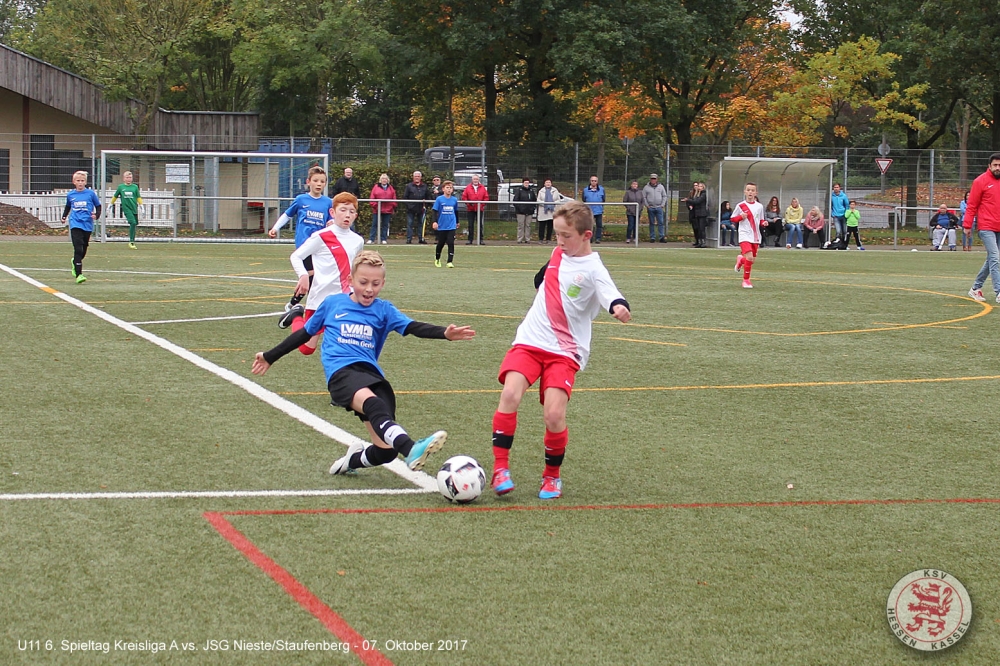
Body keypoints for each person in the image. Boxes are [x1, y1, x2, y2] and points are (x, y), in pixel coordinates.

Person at [252, 251, 476, 475]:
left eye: (375, 284)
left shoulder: (384, 309)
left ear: (383, 283)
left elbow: (412, 327)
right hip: (341, 373)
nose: (369, 289)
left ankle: (352, 461)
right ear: (350, 280)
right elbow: (304, 334)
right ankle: (410, 449)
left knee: (386, 451)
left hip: (371, 375)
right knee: (374, 406)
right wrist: (270, 356)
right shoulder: (333, 304)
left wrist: (444, 333)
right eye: (363, 282)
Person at [489, 201, 631, 500]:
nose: (560, 241)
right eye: (557, 234)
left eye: (566, 235)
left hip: (565, 351)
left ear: (586, 235)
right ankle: (500, 468)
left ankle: (552, 477)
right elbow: (542, 279)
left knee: (554, 414)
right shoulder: (557, 253)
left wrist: (619, 307)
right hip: (530, 340)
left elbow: (611, 293)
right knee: (510, 394)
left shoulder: (594, 268)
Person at [277, 192, 366, 357]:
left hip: (345, 299)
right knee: (307, 349)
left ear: (356, 215)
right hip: (320, 298)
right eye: (343, 210)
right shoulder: (321, 236)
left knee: (347, 342)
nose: (347, 215)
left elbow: (355, 266)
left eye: (352, 211)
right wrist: (303, 275)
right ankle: (296, 315)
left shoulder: (358, 240)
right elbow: (296, 256)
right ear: (332, 212)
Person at [269, 166, 333, 311]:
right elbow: (287, 215)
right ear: (308, 182)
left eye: (322, 181)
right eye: (315, 180)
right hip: (304, 245)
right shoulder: (301, 200)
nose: (319, 184)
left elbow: (331, 220)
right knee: (311, 275)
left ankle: (294, 304)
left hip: (321, 245)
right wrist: (275, 228)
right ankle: (309, 306)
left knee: (316, 277)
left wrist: (332, 223)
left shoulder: (327, 202)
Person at [964, 153, 1000, 303]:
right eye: (995, 165)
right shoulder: (980, 181)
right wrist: (967, 225)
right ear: (989, 166)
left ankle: (975, 288)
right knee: (995, 258)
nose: (998, 168)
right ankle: (999, 292)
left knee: (992, 258)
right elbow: (972, 205)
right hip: (986, 226)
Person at [62, 170, 102, 284]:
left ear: (85, 182)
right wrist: (64, 216)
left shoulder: (90, 194)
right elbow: (68, 206)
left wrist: (96, 215)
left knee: (84, 248)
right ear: (74, 182)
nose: (80, 183)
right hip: (75, 223)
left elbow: (98, 206)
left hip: (87, 224)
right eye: (78, 181)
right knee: (78, 247)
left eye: (82, 181)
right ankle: (79, 274)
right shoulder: (71, 195)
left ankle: (75, 261)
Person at [730, 182, 764, 289]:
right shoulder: (740, 205)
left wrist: (764, 223)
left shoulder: (759, 206)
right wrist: (740, 217)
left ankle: (741, 260)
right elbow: (732, 218)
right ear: (745, 192)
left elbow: (761, 219)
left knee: (751, 260)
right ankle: (746, 280)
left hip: (755, 236)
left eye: (752, 190)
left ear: (756, 193)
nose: (750, 192)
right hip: (744, 235)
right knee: (749, 257)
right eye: (748, 190)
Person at [109, 171, 142, 249]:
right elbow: (115, 196)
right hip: (126, 209)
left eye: (130, 177)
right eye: (127, 177)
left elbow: (138, 197)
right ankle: (131, 242)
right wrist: (111, 204)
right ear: (124, 178)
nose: (128, 179)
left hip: (134, 208)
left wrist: (141, 205)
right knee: (132, 222)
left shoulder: (135, 187)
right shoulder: (121, 187)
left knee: (135, 224)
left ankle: (132, 240)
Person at [432, 180, 459, 267]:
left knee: (451, 242)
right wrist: (435, 222)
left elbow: (456, 211)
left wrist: (457, 222)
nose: (449, 189)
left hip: (451, 225)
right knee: (441, 243)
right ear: (443, 189)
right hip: (442, 225)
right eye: (447, 187)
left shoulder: (454, 199)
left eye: (450, 188)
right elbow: (434, 211)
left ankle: (449, 262)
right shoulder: (439, 199)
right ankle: (437, 258)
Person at [536, 179, 569, 244]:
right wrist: (545, 203)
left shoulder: (555, 191)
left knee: (550, 226)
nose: (548, 183)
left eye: (549, 182)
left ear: (551, 183)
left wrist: (552, 203)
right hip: (543, 211)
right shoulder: (541, 191)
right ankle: (541, 239)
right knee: (542, 226)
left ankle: (548, 239)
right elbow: (538, 200)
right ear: (544, 184)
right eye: (546, 182)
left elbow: (558, 200)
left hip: (552, 211)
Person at [402, 171, 429, 245]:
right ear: (413, 177)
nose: (417, 178)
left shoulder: (424, 186)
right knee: (410, 224)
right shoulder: (409, 186)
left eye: (418, 176)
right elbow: (405, 197)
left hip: (421, 209)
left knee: (421, 224)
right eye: (415, 176)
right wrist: (409, 206)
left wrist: (425, 205)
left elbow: (428, 197)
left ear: (420, 177)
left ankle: (421, 239)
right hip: (411, 209)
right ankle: (409, 239)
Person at [368, 173, 396, 245]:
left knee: (385, 225)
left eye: (386, 179)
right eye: (383, 179)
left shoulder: (391, 188)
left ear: (388, 180)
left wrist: (392, 206)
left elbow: (394, 198)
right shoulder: (376, 187)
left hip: (388, 210)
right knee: (374, 224)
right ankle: (371, 239)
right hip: (377, 209)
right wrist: (376, 206)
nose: (384, 180)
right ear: (380, 180)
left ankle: (383, 239)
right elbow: (372, 198)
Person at [332, 167, 362, 233]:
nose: (348, 174)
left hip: (351, 205)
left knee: (352, 223)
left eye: (350, 173)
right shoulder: (339, 181)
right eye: (347, 172)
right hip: (341, 205)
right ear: (344, 173)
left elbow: (358, 193)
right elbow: (334, 192)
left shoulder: (355, 181)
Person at [461, 175, 489, 244]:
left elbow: (486, 197)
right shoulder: (468, 188)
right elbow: (464, 197)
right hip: (470, 209)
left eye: (477, 179)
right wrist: (469, 204)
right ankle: (470, 239)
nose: (475, 180)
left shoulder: (482, 188)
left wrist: (481, 205)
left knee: (480, 225)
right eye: (474, 179)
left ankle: (480, 239)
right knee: (470, 225)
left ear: (479, 180)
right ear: (472, 180)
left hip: (480, 209)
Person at [643, 173, 668, 242]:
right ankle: (652, 237)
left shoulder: (661, 187)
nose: (653, 180)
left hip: (659, 207)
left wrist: (662, 204)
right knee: (651, 223)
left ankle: (661, 237)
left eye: (654, 179)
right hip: (650, 207)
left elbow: (664, 196)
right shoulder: (646, 187)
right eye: (652, 179)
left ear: (657, 179)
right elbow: (644, 197)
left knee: (661, 222)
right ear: (650, 179)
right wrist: (647, 205)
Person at [580, 176, 606, 243]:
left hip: (598, 210)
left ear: (597, 182)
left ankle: (598, 238)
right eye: (592, 181)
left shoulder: (601, 189)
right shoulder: (585, 190)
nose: (593, 182)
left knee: (599, 225)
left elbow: (603, 199)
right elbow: (584, 199)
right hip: (589, 211)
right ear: (590, 181)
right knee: (589, 225)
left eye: (595, 181)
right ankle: (590, 238)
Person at [512, 177, 536, 243]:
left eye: (528, 183)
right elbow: (515, 201)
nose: (526, 184)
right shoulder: (519, 190)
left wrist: (532, 208)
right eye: (525, 183)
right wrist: (520, 208)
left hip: (529, 211)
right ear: (523, 183)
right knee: (521, 225)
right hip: (520, 212)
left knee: (528, 225)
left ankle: (527, 239)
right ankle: (520, 239)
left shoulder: (531, 191)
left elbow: (534, 200)